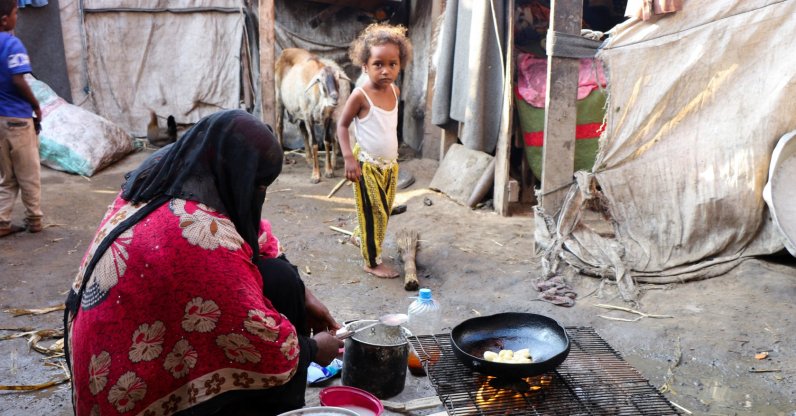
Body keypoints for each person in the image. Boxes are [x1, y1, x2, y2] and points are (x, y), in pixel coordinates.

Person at [64, 110, 344, 416]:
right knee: (269, 315)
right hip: (126, 384)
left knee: (282, 277)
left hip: (119, 337)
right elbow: (261, 339)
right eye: (258, 186)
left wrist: (304, 294)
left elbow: (255, 236)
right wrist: (315, 349)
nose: (258, 195)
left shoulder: (172, 172)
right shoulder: (201, 234)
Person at [336, 23, 413, 279]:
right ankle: (371, 261)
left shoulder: (395, 90)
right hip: (366, 165)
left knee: (383, 210)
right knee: (374, 214)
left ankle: (360, 237)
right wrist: (349, 158)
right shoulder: (360, 95)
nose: (386, 70)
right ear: (365, 66)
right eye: (378, 64)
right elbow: (342, 125)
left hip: (390, 166)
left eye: (393, 64)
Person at [0, 0, 42, 238]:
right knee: (29, 173)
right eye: (16, 13)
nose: (17, 17)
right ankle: (34, 219)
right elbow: (19, 80)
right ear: (5, 19)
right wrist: (36, 106)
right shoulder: (12, 43)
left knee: (7, 177)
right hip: (17, 119)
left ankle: (2, 221)